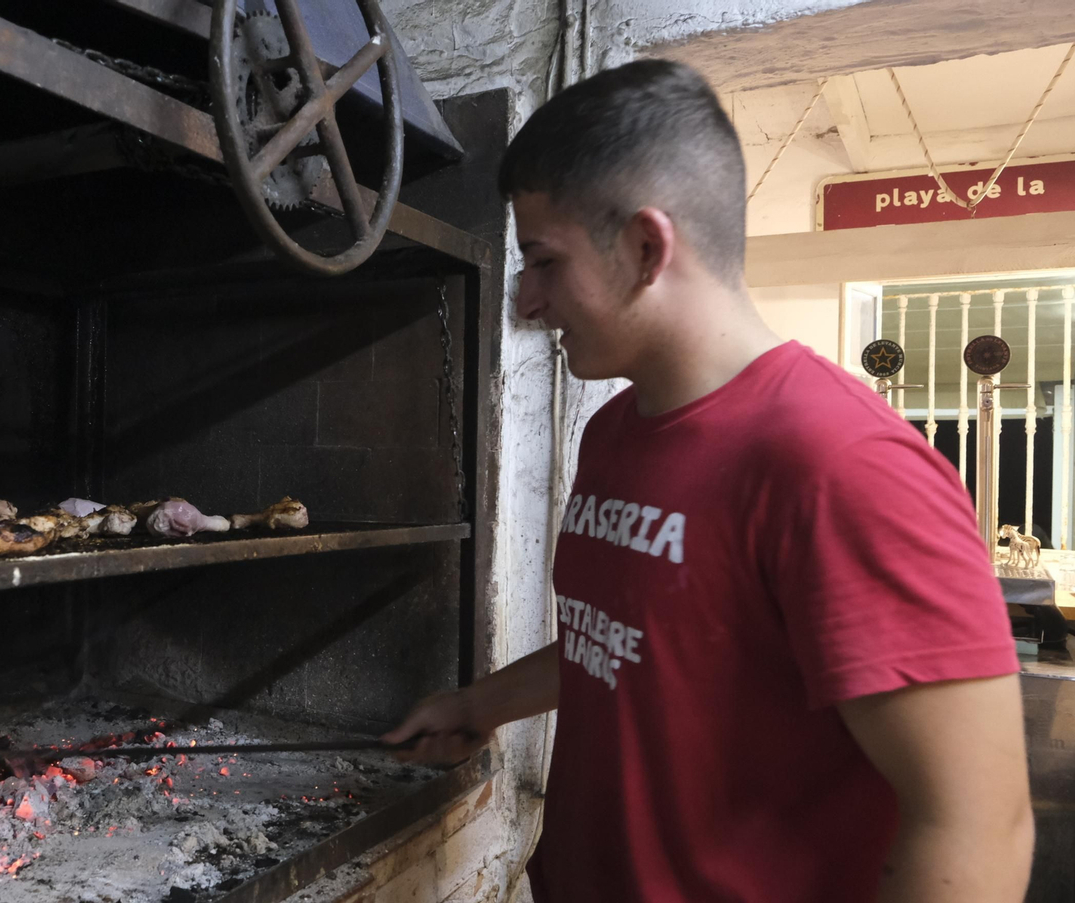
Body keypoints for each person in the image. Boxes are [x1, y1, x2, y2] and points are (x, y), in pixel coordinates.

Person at [384, 59, 1034, 902]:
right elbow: (632, 639)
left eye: (544, 261)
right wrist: (482, 702)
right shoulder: (617, 430)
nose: (526, 300)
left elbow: (978, 826)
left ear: (648, 247)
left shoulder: (842, 465)